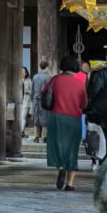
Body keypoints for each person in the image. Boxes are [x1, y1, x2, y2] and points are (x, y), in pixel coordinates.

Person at [41, 55, 87, 191]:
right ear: (76, 68)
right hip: (74, 118)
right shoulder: (80, 84)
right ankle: (70, 184)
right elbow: (84, 104)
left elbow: (43, 94)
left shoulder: (55, 80)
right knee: (72, 149)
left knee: (56, 146)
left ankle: (60, 168)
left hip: (57, 117)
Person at [31, 61, 50, 142]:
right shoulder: (48, 77)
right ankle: (44, 136)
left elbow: (32, 89)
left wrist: (32, 98)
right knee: (45, 117)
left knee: (36, 117)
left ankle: (36, 136)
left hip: (35, 99)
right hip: (44, 99)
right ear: (47, 67)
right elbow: (50, 90)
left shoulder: (35, 77)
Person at [20, 66, 32, 136]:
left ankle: (21, 131)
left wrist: (27, 92)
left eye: (23, 71)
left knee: (23, 116)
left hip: (26, 100)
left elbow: (32, 91)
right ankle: (22, 131)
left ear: (26, 72)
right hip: (19, 100)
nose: (22, 73)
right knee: (19, 116)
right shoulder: (18, 80)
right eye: (21, 71)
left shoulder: (29, 81)